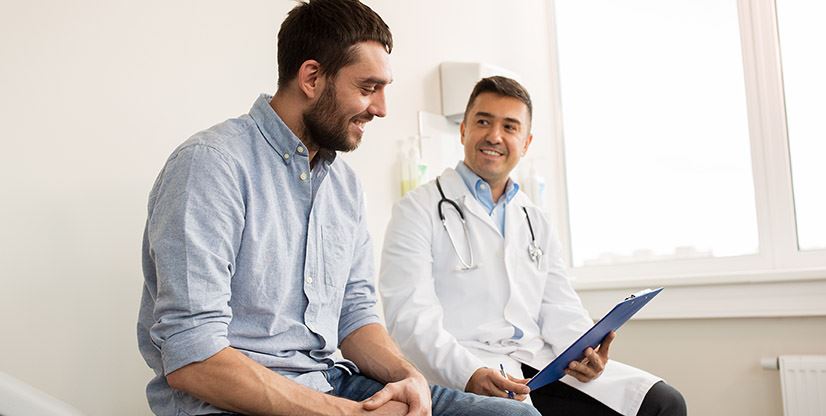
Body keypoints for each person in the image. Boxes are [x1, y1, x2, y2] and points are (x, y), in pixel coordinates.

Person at [137, 1, 540, 415]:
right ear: (312, 77)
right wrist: (347, 415)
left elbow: (354, 315)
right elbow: (194, 358)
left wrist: (408, 377)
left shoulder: (343, 186)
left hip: (332, 383)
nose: (382, 108)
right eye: (368, 89)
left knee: (516, 414)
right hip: (237, 402)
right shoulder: (212, 164)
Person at [380, 76, 687, 416]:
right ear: (464, 130)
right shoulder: (417, 209)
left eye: (509, 127)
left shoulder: (534, 218)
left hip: (538, 365)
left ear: (525, 143)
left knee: (664, 403)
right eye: (483, 122)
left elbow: (559, 305)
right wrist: (469, 373)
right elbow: (409, 319)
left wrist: (588, 352)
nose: (495, 136)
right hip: (466, 368)